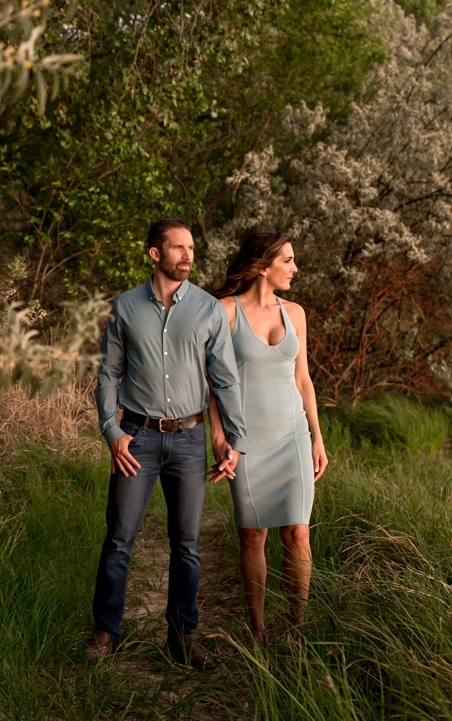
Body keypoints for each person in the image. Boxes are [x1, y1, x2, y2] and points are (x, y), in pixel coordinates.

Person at [89, 218, 249, 668]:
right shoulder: (124, 308)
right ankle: (106, 633)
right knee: (120, 538)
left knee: (188, 544)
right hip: (136, 438)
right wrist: (111, 431)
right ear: (155, 254)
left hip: (190, 438)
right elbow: (107, 375)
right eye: (178, 248)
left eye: (191, 248)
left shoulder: (208, 309)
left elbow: (226, 380)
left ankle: (182, 638)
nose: (188, 256)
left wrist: (234, 440)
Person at [207, 231, 329, 645]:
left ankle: (298, 627)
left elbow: (303, 379)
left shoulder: (295, 313)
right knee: (252, 535)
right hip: (248, 441)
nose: (295, 269)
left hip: (292, 434)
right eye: (288, 261)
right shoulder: (224, 312)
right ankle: (257, 628)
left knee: (298, 533)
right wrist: (220, 437)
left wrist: (317, 437)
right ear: (263, 265)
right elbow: (213, 383)